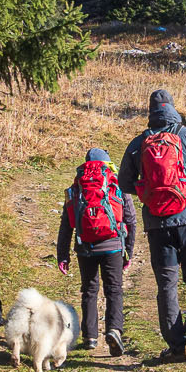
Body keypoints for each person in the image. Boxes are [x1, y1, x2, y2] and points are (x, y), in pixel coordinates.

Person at [117, 89, 186, 359]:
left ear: (150, 112)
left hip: (158, 223)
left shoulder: (139, 143)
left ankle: (176, 347)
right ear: (174, 109)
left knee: (167, 284)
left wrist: (147, 190)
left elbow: (124, 183)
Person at [55, 147, 138, 356]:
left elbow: (66, 225)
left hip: (85, 246)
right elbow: (131, 220)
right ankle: (114, 329)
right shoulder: (116, 184)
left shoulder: (76, 187)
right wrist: (128, 250)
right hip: (113, 245)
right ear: (108, 164)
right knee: (114, 290)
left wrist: (62, 255)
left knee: (89, 290)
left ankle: (90, 336)